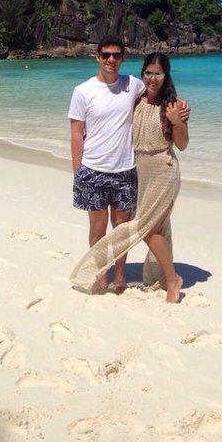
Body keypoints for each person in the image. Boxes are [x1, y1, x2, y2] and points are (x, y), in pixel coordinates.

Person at [70, 52, 189, 303]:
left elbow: (182, 145)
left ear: (166, 76)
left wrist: (177, 122)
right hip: (137, 169)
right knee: (152, 226)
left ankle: (172, 279)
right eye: (148, 73)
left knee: (146, 227)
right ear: (142, 74)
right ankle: (157, 275)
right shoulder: (135, 98)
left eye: (158, 74)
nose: (152, 79)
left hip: (163, 169)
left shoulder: (173, 105)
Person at [68, 35, 146, 292]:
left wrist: (179, 106)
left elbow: (157, 93)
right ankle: (101, 273)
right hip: (93, 170)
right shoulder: (83, 91)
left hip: (125, 170)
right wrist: (77, 170)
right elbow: (76, 132)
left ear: (123, 58)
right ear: (97, 57)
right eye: (106, 55)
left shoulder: (133, 85)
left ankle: (120, 274)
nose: (111, 59)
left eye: (116, 55)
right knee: (98, 229)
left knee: (121, 230)